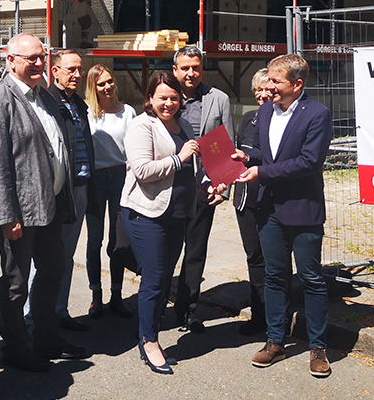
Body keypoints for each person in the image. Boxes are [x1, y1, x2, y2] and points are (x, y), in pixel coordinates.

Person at [0, 33, 86, 373]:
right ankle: (15, 348)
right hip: (20, 213)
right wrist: (6, 215)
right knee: (15, 281)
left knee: (52, 271)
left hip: (48, 205)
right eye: (30, 58)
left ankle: (46, 338)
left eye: (42, 57)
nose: (39, 63)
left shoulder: (44, 98)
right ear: (10, 61)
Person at [233, 54, 333, 377]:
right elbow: (268, 154)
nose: (269, 86)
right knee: (275, 275)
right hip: (269, 209)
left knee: (310, 277)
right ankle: (275, 340)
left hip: (302, 209)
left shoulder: (317, 114)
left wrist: (261, 171)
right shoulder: (264, 112)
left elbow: (308, 162)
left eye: (276, 81)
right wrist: (247, 155)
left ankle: (318, 346)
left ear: (297, 84)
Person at [121, 72, 222, 374]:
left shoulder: (185, 124)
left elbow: (194, 166)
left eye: (174, 98)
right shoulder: (142, 125)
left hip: (178, 212)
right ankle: (149, 341)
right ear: (149, 98)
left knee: (165, 278)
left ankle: (148, 331)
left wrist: (207, 185)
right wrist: (179, 158)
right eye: (162, 97)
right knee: (154, 279)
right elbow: (142, 170)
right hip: (146, 214)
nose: (168, 103)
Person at [26, 50, 97, 333]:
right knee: (45, 256)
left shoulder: (78, 103)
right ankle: (32, 316)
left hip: (80, 187)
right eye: (71, 70)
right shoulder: (46, 102)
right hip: (57, 189)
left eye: (80, 70)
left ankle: (59, 311)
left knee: (66, 254)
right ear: (54, 72)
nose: (77, 75)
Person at [171, 45, 234, 333]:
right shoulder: (165, 97)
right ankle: (157, 306)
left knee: (195, 252)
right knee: (165, 252)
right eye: (185, 68)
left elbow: (226, 145)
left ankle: (187, 311)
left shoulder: (217, 98)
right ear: (175, 70)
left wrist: (223, 188)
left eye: (195, 67)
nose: (191, 73)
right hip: (169, 186)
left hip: (204, 187)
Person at [232, 68, 283, 336]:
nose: (262, 94)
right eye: (257, 90)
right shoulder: (248, 119)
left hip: (273, 199)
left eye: (268, 89)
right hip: (246, 199)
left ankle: (278, 317)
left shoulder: (284, 120)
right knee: (254, 258)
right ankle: (259, 315)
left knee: (276, 260)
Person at [84, 64, 137, 319]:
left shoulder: (128, 112)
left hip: (120, 177)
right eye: (101, 84)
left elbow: (135, 147)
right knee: (95, 239)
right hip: (95, 179)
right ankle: (96, 296)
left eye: (109, 81)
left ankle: (117, 296)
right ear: (93, 88)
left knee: (118, 240)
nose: (107, 87)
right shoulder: (87, 113)